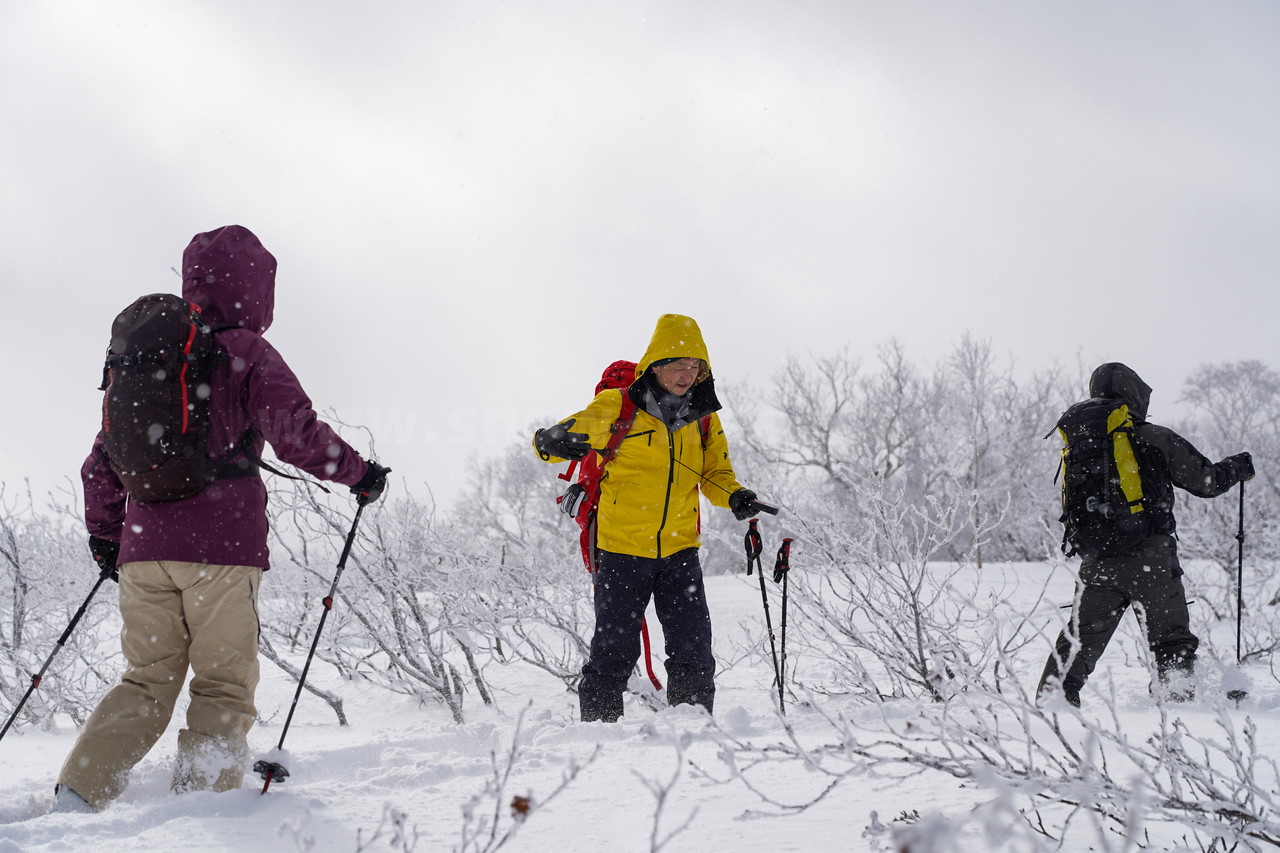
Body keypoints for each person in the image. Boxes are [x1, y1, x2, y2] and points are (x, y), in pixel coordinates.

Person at [52, 225, 391, 813]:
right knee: (222, 685)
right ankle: (202, 809)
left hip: (142, 552)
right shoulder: (245, 353)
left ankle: (80, 793)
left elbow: (100, 459)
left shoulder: (153, 354)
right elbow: (296, 435)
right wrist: (360, 474)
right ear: (259, 290)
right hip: (221, 554)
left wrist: (108, 538)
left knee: (145, 680)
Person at [533, 313, 770, 723]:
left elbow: (716, 474)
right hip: (622, 550)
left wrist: (735, 496)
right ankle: (598, 735)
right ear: (655, 365)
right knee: (613, 653)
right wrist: (550, 441)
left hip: (680, 550)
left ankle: (695, 730)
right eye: (678, 364)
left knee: (694, 650)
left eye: (695, 366)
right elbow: (555, 439)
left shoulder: (704, 418)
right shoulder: (618, 405)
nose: (687, 373)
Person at [1037, 362, 1253, 708]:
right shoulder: (1154, 437)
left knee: (1079, 639)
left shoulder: (1081, 445)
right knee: (1171, 641)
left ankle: (1049, 707)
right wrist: (1238, 467)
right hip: (1151, 561)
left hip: (1098, 563)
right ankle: (1177, 710)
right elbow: (1207, 482)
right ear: (1135, 394)